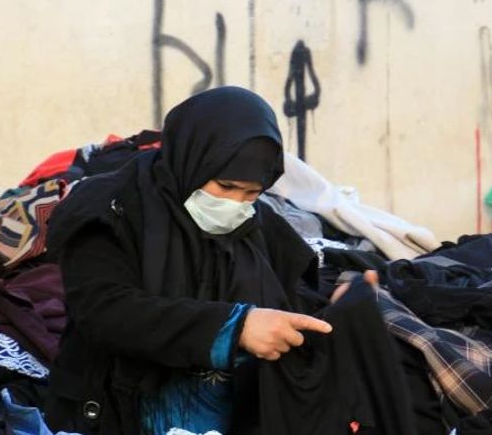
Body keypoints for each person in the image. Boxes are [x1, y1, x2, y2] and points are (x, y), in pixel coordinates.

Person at [43, 87, 333, 435]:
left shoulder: (257, 223)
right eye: (225, 186)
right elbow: (104, 311)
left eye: (251, 193)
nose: (235, 203)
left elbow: (292, 288)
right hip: (120, 413)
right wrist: (235, 328)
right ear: (193, 160)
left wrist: (336, 307)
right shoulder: (110, 209)